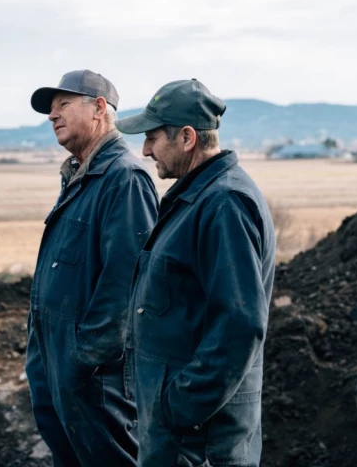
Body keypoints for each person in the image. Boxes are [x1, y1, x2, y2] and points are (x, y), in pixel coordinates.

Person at [117, 79, 276, 467]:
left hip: (200, 440)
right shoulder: (200, 198)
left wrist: (180, 407)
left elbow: (239, 324)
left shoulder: (223, 203)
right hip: (183, 433)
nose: (145, 149)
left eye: (153, 137)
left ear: (187, 137)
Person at [25, 69, 159, 466]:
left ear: (100, 108)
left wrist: (85, 358)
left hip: (93, 373)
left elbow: (127, 281)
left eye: (63, 105)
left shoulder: (125, 178)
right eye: (51, 111)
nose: (53, 116)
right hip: (55, 360)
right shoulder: (79, 176)